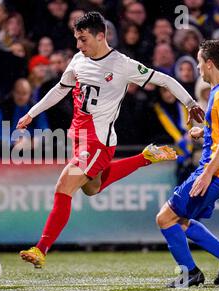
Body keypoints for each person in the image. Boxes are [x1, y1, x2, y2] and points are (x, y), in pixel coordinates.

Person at [17, 12, 204, 268]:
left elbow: (165, 79)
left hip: (98, 142)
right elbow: (61, 88)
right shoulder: (78, 60)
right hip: (80, 137)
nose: (78, 45)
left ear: (101, 36)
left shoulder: (121, 64)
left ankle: (41, 249)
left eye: (83, 39)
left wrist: (190, 103)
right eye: (77, 40)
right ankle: (145, 157)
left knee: (64, 186)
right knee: (91, 188)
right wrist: (31, 112)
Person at [156, 40, 219, 288]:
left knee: (165, 219)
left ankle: (191, 274)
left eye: (198, 62)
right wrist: (203, 131)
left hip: (216, 173)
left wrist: (206, 174)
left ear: (209, 63)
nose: (197, 68)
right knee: (180, 221)